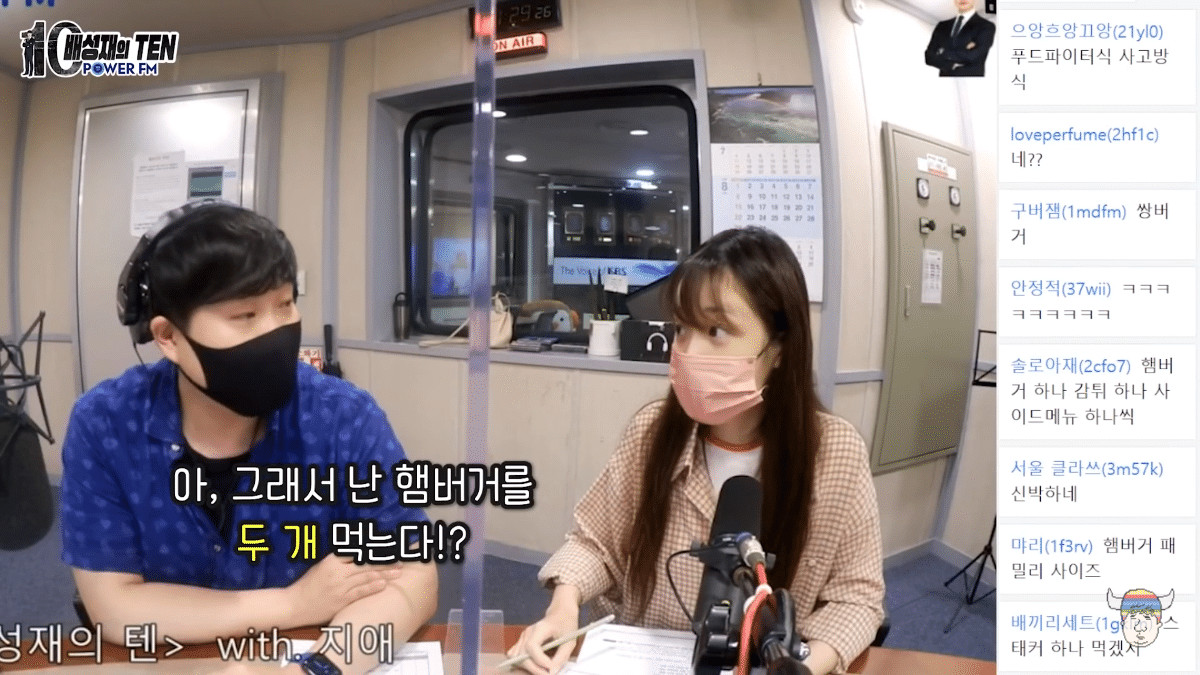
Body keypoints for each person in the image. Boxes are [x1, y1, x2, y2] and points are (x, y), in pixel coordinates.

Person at [60, 202, 437, 675]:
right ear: (169, 336)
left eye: (286, 304)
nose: (276, 332)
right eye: (245, 315)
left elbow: (412, 575)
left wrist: (314, 670)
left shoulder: (342, 416)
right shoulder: (105, 424)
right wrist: (294, 603)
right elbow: (113, 606)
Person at [508, 227, 884, 675]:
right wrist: (563, 606)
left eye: (717, 330)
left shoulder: (835, 453)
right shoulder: (652, 434)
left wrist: (798, 668)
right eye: (682, 329)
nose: (687, 351)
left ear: (779, 347)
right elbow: (595, 543)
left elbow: (856, 598)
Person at [925, 0, 996, 77]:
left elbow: (973, 55)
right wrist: (951, 65)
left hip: (971, 79)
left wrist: (942, 52)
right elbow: (929, 57)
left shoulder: (986, 26)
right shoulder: (942, 26)